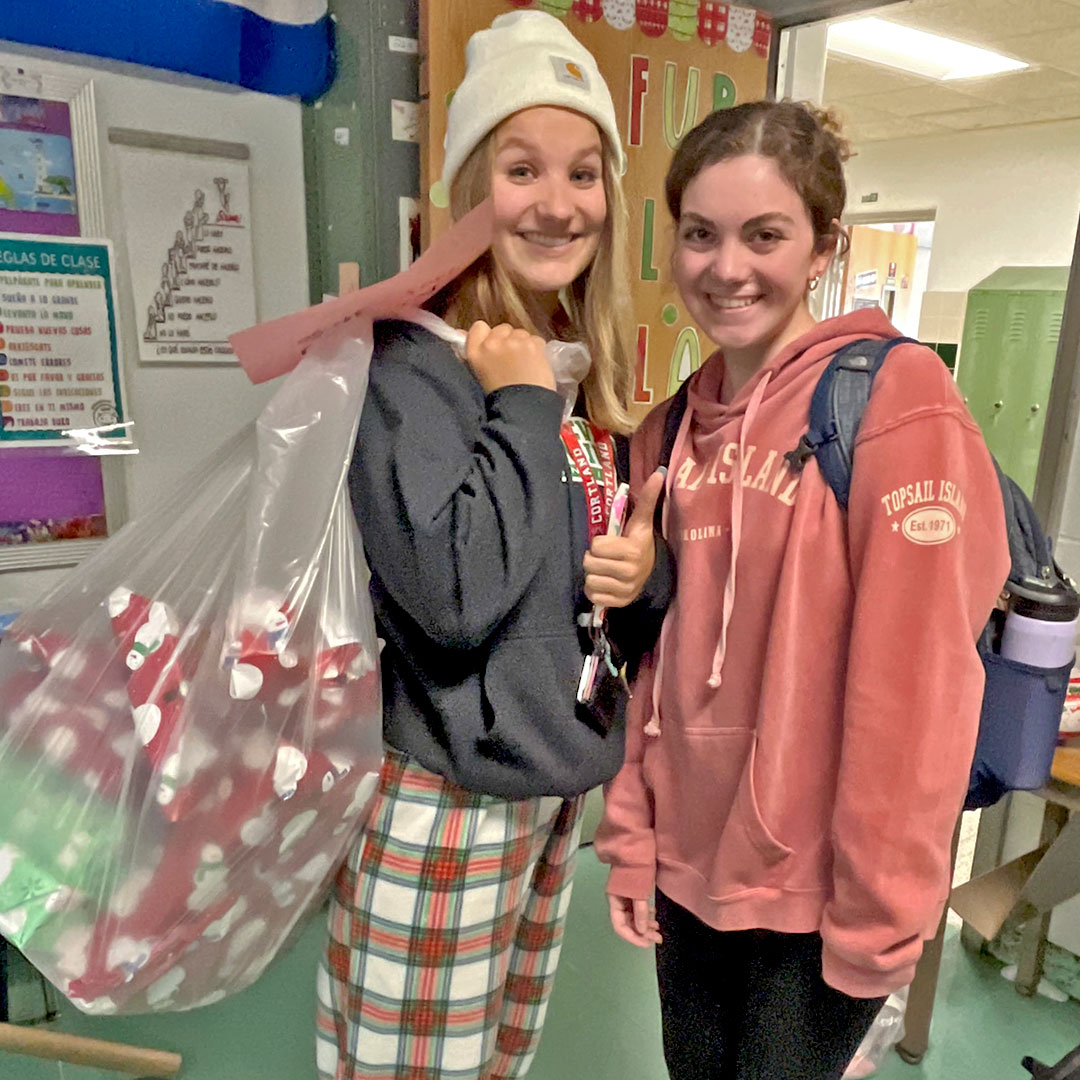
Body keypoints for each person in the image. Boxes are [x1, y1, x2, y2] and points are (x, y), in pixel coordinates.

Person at [595, 100, 1010, 1080]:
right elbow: (650, 665)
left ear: (824, 247)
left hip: (819, 888)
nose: (726, 267)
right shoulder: (668, 430)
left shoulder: (897, 407)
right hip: (692, 874)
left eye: (764, 234)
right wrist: (632, 836)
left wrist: (881, 912)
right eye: (700, 234)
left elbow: (915, 691)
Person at [316, 12, 669, 1080]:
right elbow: (455, 592)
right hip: (443, 804)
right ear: (469, 188)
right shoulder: (416, 368)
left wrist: (641, 577)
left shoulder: (578, 377)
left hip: (551, 794)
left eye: (582, 172)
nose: (558, 203)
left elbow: (576, 605)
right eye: (522, 169)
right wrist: (516, 403)